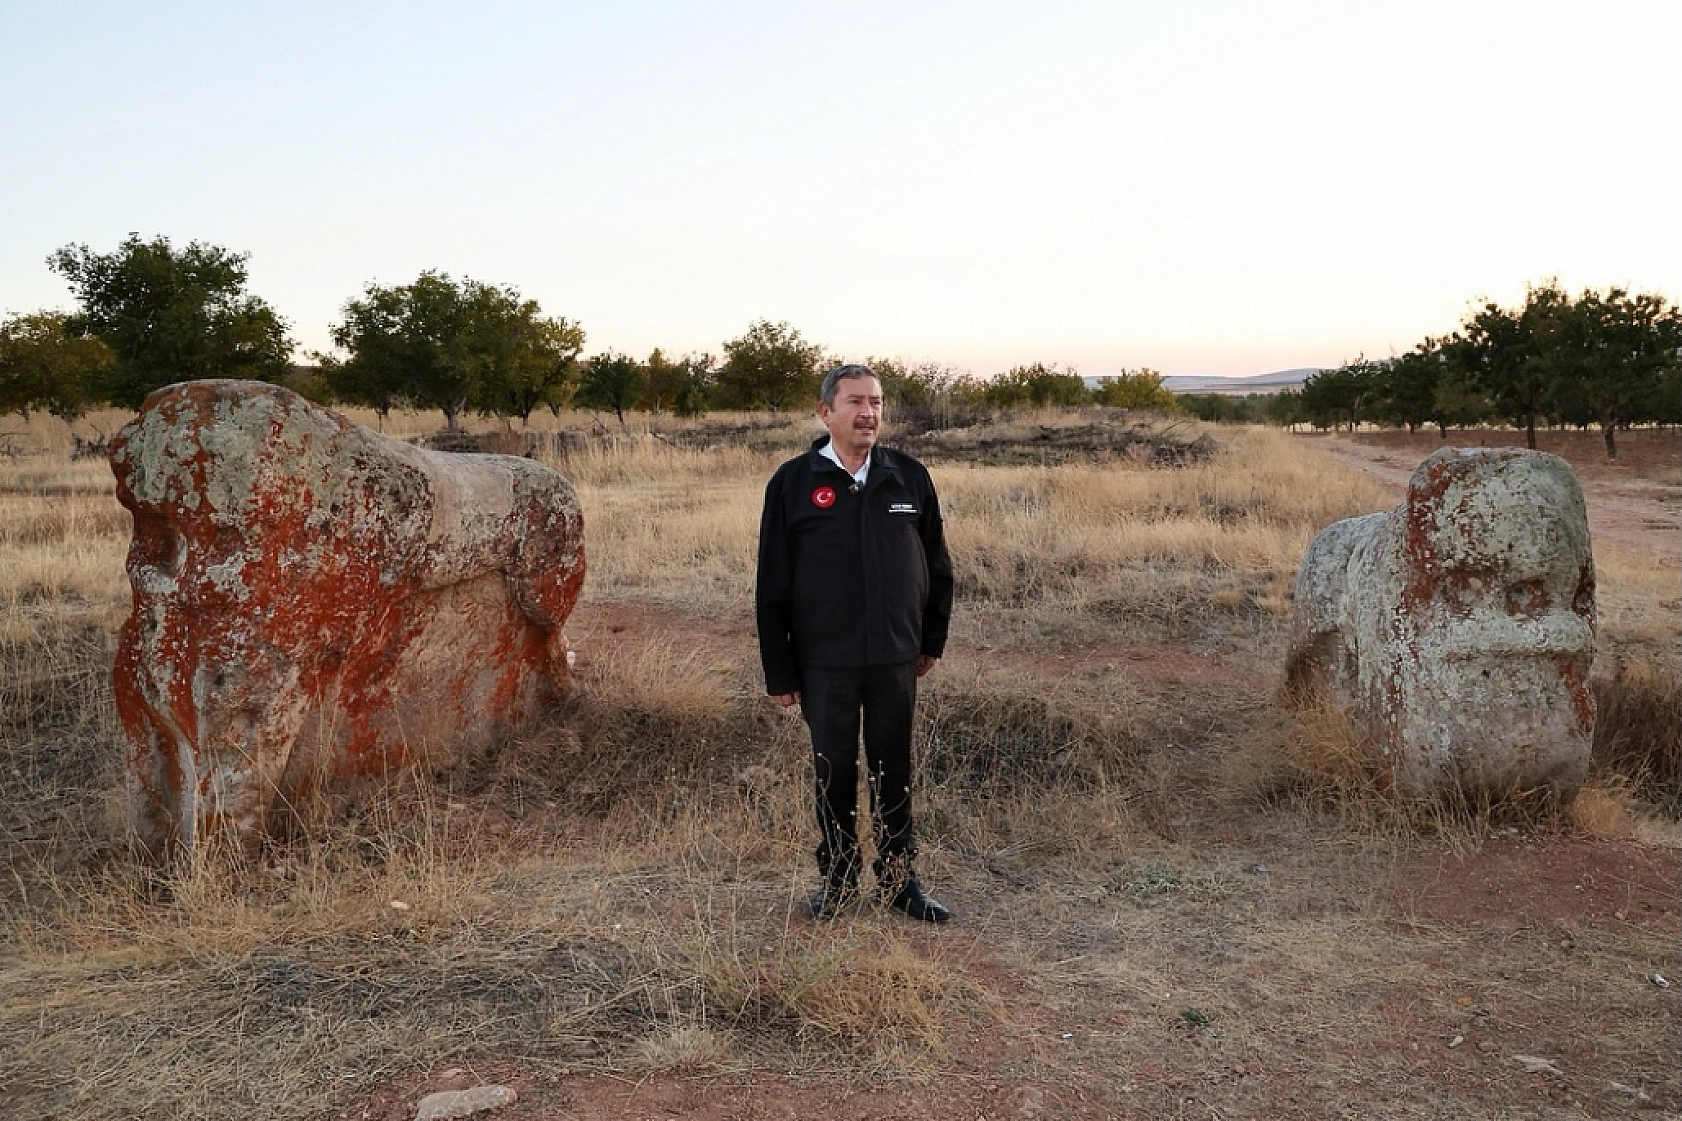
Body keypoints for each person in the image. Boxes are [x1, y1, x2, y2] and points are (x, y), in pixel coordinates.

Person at [755, 364, 955, 923]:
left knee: (894, 766)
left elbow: (937, 565)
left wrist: (930, 639)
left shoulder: (907, 477)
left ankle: (899, 883)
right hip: (826, 661)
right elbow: (772, 583)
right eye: (855, 402)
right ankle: (839, 880)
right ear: (826, 412)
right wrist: (781, 673)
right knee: (833, 770)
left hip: (895, 655)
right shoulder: (793, 483)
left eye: (876, 402)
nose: (868, 412)